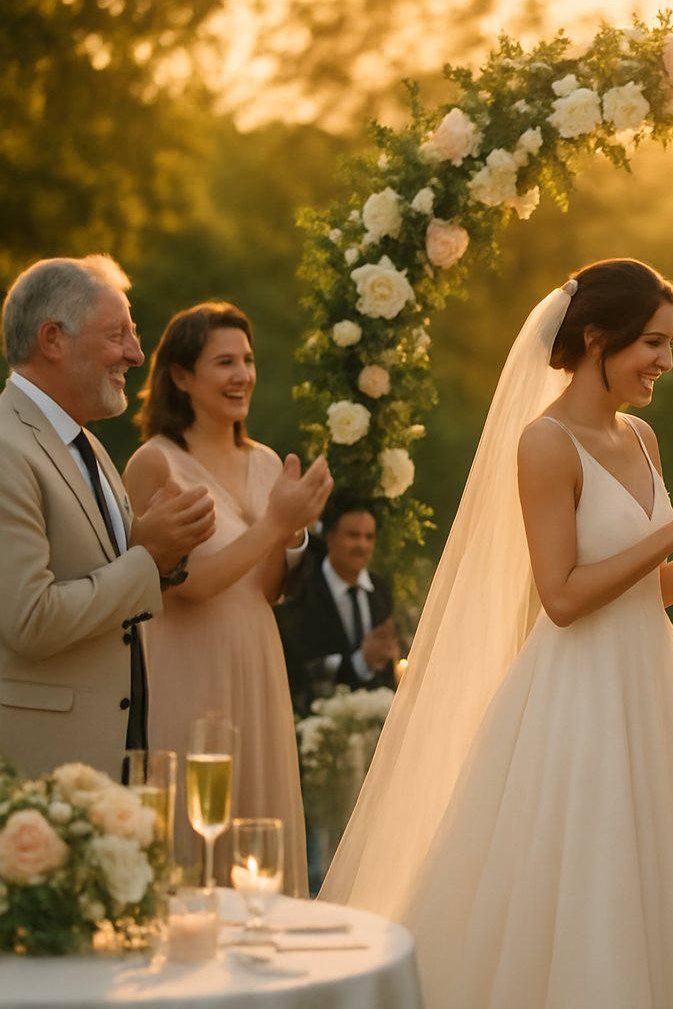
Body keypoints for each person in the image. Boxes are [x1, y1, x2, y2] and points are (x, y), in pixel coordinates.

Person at [320, 260, 673, 1007]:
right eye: (653, 343)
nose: (666, 362)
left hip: (649, 686)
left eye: (670, 344)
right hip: (578, 695)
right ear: (597, 336)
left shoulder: (642, 437)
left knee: (656, 873)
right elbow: (561, 597)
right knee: (587, 879)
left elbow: (648, 593)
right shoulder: (546, 443)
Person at [123, 301, 331, 895]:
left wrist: (291, 536)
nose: (242, 374)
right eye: (224, 362)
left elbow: (263, 591)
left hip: (258, 663)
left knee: (258, 827)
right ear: (182, 377)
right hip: (190, 670)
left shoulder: (266, 461)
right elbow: (192, 585)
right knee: (194, 836)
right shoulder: (155, 462)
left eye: (247, 360)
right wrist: (275, 525)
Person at [0, 256, 215, 778]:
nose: (137, 355)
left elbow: (101, 585)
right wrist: (147, 557)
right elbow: (29, 620)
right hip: (41, 773)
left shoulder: (89, 445)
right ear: (53, 338)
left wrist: (156, 553)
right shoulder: (7, 447)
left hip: (115, 763)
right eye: (118, 335)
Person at [277, 499, 401, 719]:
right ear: (330, 538)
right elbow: (302, 667)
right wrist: (361, 660)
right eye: (353, 535)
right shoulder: (304, 592)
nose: (362, 545)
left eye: (369, 537)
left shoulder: (379, 590)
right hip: (316, 720)